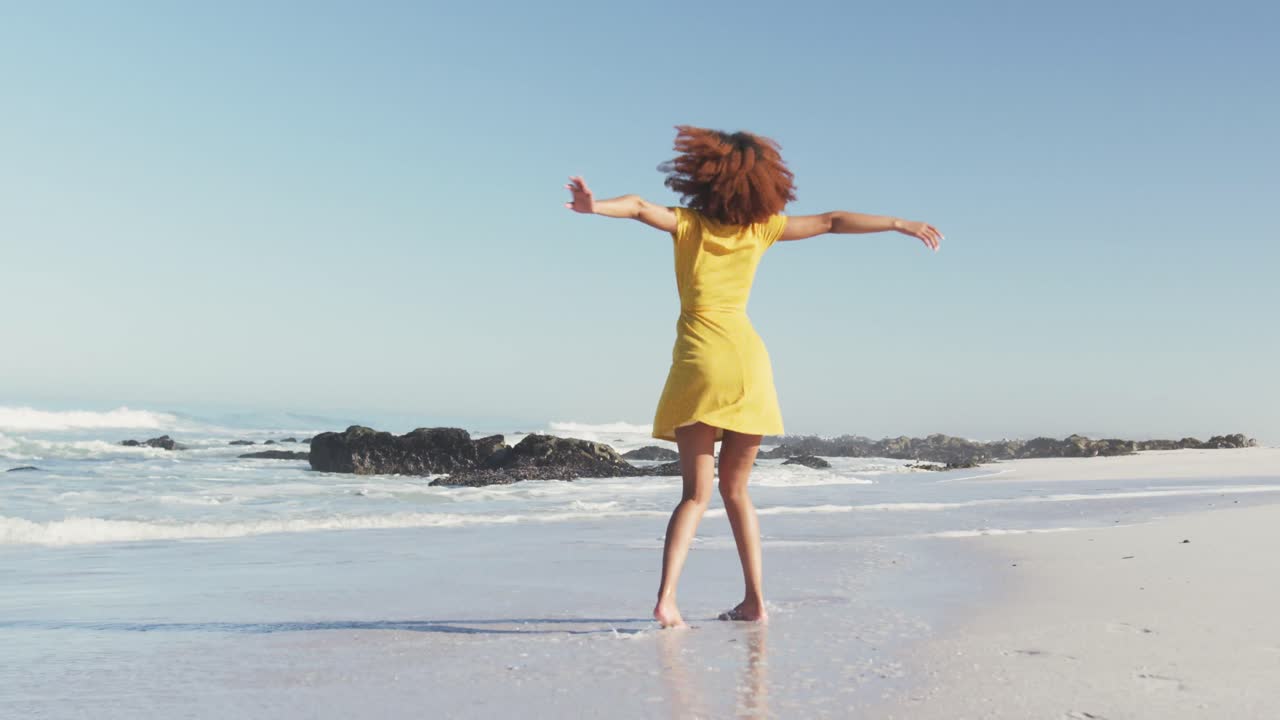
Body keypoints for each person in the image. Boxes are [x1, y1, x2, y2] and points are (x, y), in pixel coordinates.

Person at [565, 126, 942, 628]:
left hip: (699, 364)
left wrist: (594, 208)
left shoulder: (689, 225)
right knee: (737, 492)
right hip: (748, 366)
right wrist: (899, 222)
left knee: (695, 496)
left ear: (702, 178)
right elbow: (831, 221)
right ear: (761, 184)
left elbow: (635, 205)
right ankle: (754, 600)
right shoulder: (760, 229)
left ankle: (668, 599)